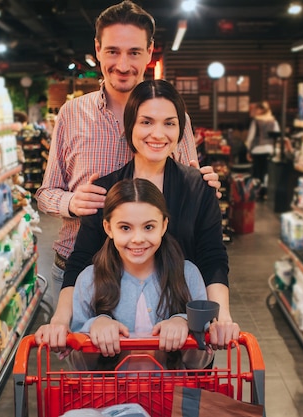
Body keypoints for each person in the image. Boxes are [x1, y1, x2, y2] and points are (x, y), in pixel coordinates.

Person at [36, 1, 218, 308]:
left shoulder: (173, 115)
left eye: (134, 52)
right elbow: (45, 193)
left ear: (149, 52)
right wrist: (71, 202)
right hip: (80, 271)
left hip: (159, 276)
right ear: (97, 49)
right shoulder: (72, 113)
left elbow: (188, 186)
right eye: (112, 51)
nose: (123, 64)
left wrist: (206, 185)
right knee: (86, 352)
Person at [35, 79, 239, 352]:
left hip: (183, 335)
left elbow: (212, 257)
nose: (158, 133)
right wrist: (61, 319)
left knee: (181, 395)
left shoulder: (198, 188)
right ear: (129, 126)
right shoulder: (106, 190)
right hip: (114, 337)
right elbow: (81, 260)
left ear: (180, 130)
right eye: (146, 122)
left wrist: (220, 317)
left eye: (169, 123)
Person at [69, 178, 213, 370]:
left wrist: (186, 325)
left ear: (163, 226)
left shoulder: (188, 275)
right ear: (108, 228)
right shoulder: (89, 280)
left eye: (148, 227)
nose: (138, 239)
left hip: (173, 396)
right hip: (109, 397)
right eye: (125, 228)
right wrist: (94, 328)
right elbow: (78, 365)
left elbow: (200, 363)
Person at [245, 101, 279, 199]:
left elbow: (250, 137)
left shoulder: (256, 121)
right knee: (266, 172)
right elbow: (276, 134)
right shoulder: (273, 121)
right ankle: (265, 192)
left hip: (257, 149)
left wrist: (248, 150)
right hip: (269, 149)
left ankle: (256, 192)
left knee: (257, 172)